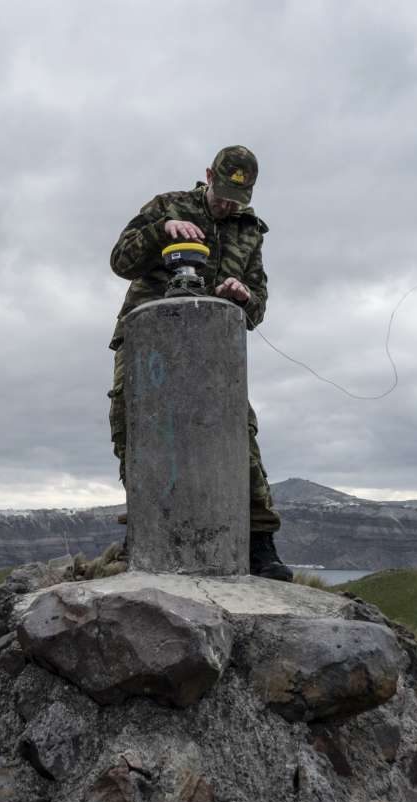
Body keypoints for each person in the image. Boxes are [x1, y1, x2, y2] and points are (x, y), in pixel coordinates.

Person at [107, 145, 293, 582]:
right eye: (224, 194)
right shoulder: (167, 206)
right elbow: (121, 261)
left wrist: (241, 295)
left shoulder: (249, 232)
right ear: (209, 175)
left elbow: (257, 308)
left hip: (211, 343)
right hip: (148, 338)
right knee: (133, 421)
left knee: (237, 429)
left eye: (237, 199)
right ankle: (145, 529)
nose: (229, 205)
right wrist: (161, 231)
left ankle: (260, 544)